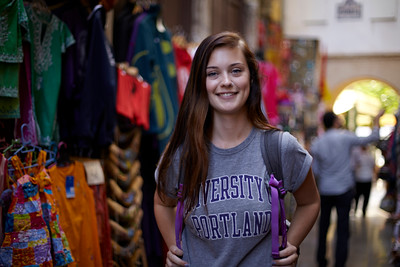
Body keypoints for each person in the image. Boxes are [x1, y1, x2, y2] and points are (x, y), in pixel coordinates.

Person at [154, 31, 320, 266]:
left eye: (236, 70)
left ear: (251, 78)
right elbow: (162, 203)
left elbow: (310, 202)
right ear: (201, 83)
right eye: (213, 73)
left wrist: (291, 244)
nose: (226, 82)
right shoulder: (184, 153)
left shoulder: (279, 147)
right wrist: (175, 247)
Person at [310, 110, 384, 267]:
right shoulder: (345, 137)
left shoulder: (318, 143)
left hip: (325, 190)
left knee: (323, 227)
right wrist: (377, 120)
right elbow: (372, 138)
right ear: (336, 122)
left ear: (323, 123)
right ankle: (340, 262)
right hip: (344, 189)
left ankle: (321, 260)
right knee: (343, 229)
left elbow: (315, 171)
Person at [351, 145, 376, 217]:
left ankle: (355, 210)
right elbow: (373, 167)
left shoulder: (359, 156)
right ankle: (364, 211)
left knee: (357, 195)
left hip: (359, 178)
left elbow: (354, 167)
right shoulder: (370, 156)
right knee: (366, 196)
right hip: (367, 179)